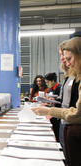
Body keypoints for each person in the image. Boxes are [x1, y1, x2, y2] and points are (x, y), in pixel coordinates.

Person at [32, 37, 81, 166]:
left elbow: (77, 112)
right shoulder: (70, 76)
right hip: (67, 121)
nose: (65, 61)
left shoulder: (77, 77)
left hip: (71, 122)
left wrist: (49, 110)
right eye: (62, 57)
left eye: (68, 58)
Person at [44, 72, 62, 142]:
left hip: (57, 113)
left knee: (56, 130)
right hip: (51, 111)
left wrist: (54, 100)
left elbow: (61, 101)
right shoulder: (51, 88)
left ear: (53, 81)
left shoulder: (59, 88)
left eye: (48, 82)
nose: (47, 84)